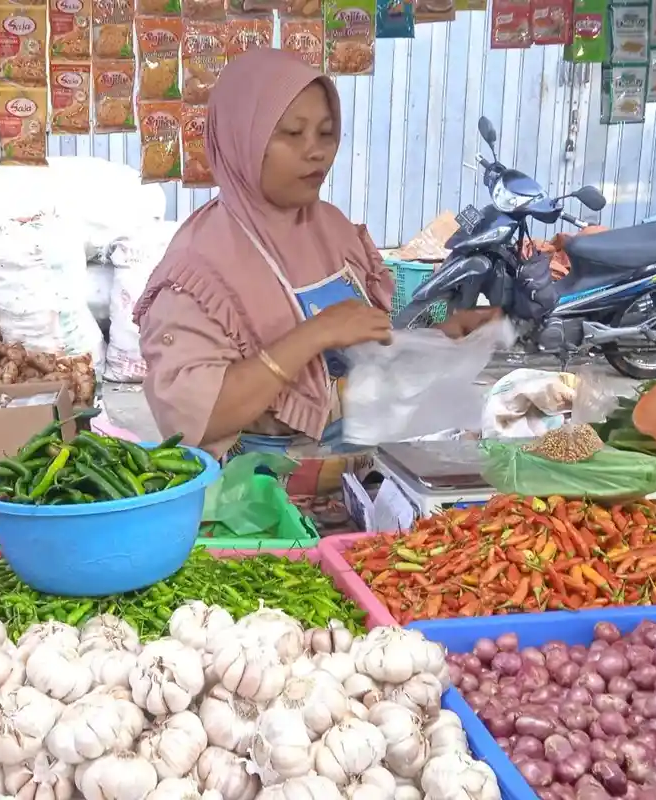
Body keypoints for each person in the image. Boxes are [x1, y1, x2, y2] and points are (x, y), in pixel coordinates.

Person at [133, 49, 497, 487]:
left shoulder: (332, 230)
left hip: (364, 481)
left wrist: (440, 341)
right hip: (261, 506)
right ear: (241, 138)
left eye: (326, 134)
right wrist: (314, 334)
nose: (316, 152)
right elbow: (193, 419)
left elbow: (357, 357)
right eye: (292, 133)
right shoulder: (198, 268)